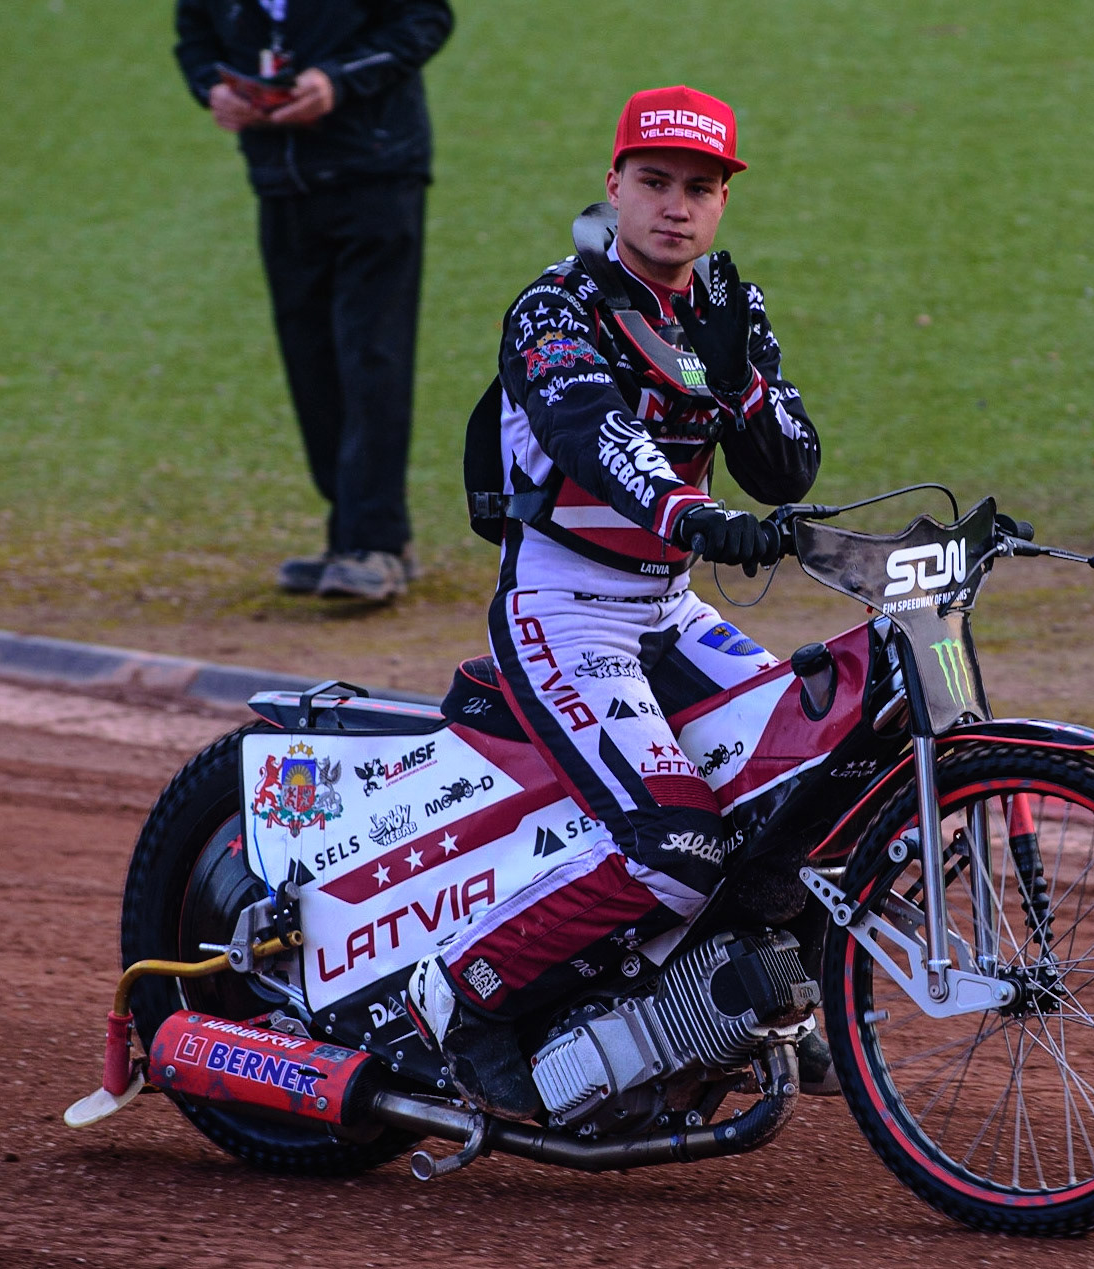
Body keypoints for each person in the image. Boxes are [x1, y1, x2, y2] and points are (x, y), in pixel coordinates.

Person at [408, 86, 829, 1119]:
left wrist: (742, 389)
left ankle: (736, 1005)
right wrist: (690, 517)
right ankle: (458, 999)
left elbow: (789, 471)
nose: (675, 208)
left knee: (808, 785)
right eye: (654, 184)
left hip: (670, 611)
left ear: (723, 200)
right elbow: (592, 440)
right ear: (613, 186)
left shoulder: (732, 307)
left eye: (699, 188)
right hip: (564, 608)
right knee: (677, 847)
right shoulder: (554, 307)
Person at [173, 0, 454, 602]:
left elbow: (425, 19)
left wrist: (338, 78)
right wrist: (210, 89)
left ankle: (373, 544)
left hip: (376, 175)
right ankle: (353, 536)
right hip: (281, 184)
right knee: (311, 361)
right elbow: (194, 36)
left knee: (370, 356)